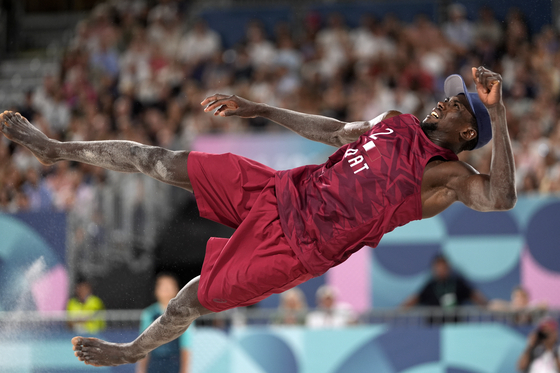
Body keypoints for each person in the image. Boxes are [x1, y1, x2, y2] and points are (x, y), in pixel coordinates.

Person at [0, 66, 516, 367]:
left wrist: (498, 113)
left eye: (456, 105)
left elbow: (503, 199)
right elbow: (334, 130)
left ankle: (132, 350)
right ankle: (53, 148)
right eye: (451, 95)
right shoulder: (394, 122)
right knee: (161, 161)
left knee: (191, 300)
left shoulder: (447, 176)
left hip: (298, 247)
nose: (445, 101)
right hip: (281, 190)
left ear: (467, 131)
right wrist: (262, 109)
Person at [136, 273, 193, 373]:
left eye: (169, 287)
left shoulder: (184, 315)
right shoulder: (149, 314)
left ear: (176, 290)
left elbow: (186, 346)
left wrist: (185, 369)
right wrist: (141, 369)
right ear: (156, 291)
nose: (165, 290)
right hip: (154, 363)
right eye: (162, 287)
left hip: (174, 362)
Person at [401, 254, 487, 309]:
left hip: (456, 326)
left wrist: (487, 306)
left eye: (443, 267)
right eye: (438, 268)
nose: (441, 270)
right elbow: (415, 298)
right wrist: (399, 311)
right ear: (433, 269)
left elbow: (473, 294)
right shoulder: (431, 285)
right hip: (434, 327)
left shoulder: (458, 283)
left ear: (448, 267)